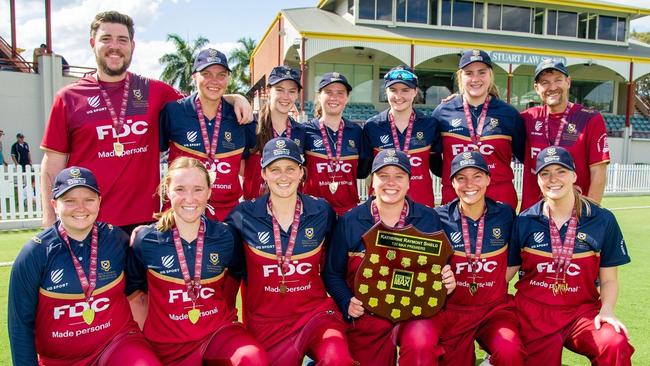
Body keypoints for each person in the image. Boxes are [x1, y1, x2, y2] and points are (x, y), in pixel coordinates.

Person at [40, 11, 251, 233]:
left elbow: (203, 98)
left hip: (144, 223)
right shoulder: (69, 98)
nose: (115, 46)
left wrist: (235, 97)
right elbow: (53, 163)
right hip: (87, 220)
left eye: (122, 40)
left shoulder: (154, 91)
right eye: (106, 39)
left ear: (132, 45)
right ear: (92, 43)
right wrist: (49, 219)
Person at [8, 167, 161, 366]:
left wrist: (145, 234)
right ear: (54, 204)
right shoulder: (34, 253)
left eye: (88, 200)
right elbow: (20, 324)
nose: (80, 208)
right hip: (59, 360)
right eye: (69, 201)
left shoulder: (116, 239)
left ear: (99, 201)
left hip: (116, 345)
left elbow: (144, 280)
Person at [226, 137, 355, 366]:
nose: (283, 176)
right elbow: (211, 246)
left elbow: (337, 261)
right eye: (275, 170)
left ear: (301, 172)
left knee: (337, 358)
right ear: (264, 174)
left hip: (314, 314)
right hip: (267, 322)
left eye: (290, 169)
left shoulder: (321, 210)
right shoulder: (243, 215)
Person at [128, 157, 268, 365]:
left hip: (217, 334)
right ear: (167, 191)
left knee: (252, 358)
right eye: (180, 189)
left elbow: (238, 276)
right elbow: (134, 293)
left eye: (198, 189)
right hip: (167, 345)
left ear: (210, 192)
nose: (190, 198)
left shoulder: (225, 236)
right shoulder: (145, 240)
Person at [324, 149, 456, 365]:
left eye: (399, 176)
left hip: (417, 312)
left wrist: (447, 280)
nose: (391, 182)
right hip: (368, 315)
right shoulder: (350, 221)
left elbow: (442, 267)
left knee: (420, 344)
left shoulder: (428, 218)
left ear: (409, 183)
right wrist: (345, 300)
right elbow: (332, 273)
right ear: (372, 182)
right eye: (383, 175)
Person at [508, 146, 633, 365]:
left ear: (574, 176)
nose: (553, 179)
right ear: (537, 180)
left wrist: (607, 310)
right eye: (545, 173)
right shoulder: (524, 221)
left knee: (614, 342)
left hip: (582, 312)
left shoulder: (602, 220)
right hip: (534, 314)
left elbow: (609, 279)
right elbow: (505, 275)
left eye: (561, 171)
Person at [434, 151, 525, 366]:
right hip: (453, 311)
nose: (469, 184)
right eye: (461, 178)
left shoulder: (505, 214)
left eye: (477, 176)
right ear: (452, 183)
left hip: (494, 310)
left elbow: (515, 256)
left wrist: (497, 281)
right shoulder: (439, 217)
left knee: (510, 351)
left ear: (488, 179)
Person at [160, 48, 257, 221]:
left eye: (221, 75)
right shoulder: (174, 111)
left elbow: (246, 167)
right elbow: (156, 156)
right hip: (182, 210)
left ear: (228, 78)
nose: (215, 81)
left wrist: (237, 98)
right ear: (194, 77)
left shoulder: (241, 116)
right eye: (206, 73)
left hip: (228, 216)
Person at [432, 50, 525, 210]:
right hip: (456, 194)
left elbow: (524, 156)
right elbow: (433, 160)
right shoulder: (443, 112)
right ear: (461, 76)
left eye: (482, 72)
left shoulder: (509, 114)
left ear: (490, 75)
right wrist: (458, 175)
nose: (475, 79)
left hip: (499, 197)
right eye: (469, 73)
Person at [520, 60, 610, 211]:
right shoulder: (527, 119)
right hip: (533, 217)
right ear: (536, 88)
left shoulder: (590, 119)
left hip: (575, 214)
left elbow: (598, 172)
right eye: (545, 82)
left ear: (568, 82)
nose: (552, 87)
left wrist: (591, 215)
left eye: (558, 80)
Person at [362, 65, 439, 207]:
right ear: (386, 91)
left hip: (421, 205)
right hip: (383, 205)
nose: (398, 96)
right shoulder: (372, 126)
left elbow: (439, 167)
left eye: (405, 90)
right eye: (393, 90)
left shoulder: (430, 125)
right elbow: (364, 170)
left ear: (415, 91)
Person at [303, 72, 365, 216]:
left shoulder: (356, 131)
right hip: (312, 211)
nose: (334, 97)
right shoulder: (305, 130)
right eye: (328, 92)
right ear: (319, 96)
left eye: (340, 93)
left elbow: (363, 170)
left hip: (349, 211)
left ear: (347, 98)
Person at [242, 65, 306, 200]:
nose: (286, 96)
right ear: (268, 90)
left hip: (290, 209)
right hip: (255, 211)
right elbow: (241, 168)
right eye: (280, 90)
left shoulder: (301, 131)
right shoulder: (250, 125)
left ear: (297, 94)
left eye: (292, 91)